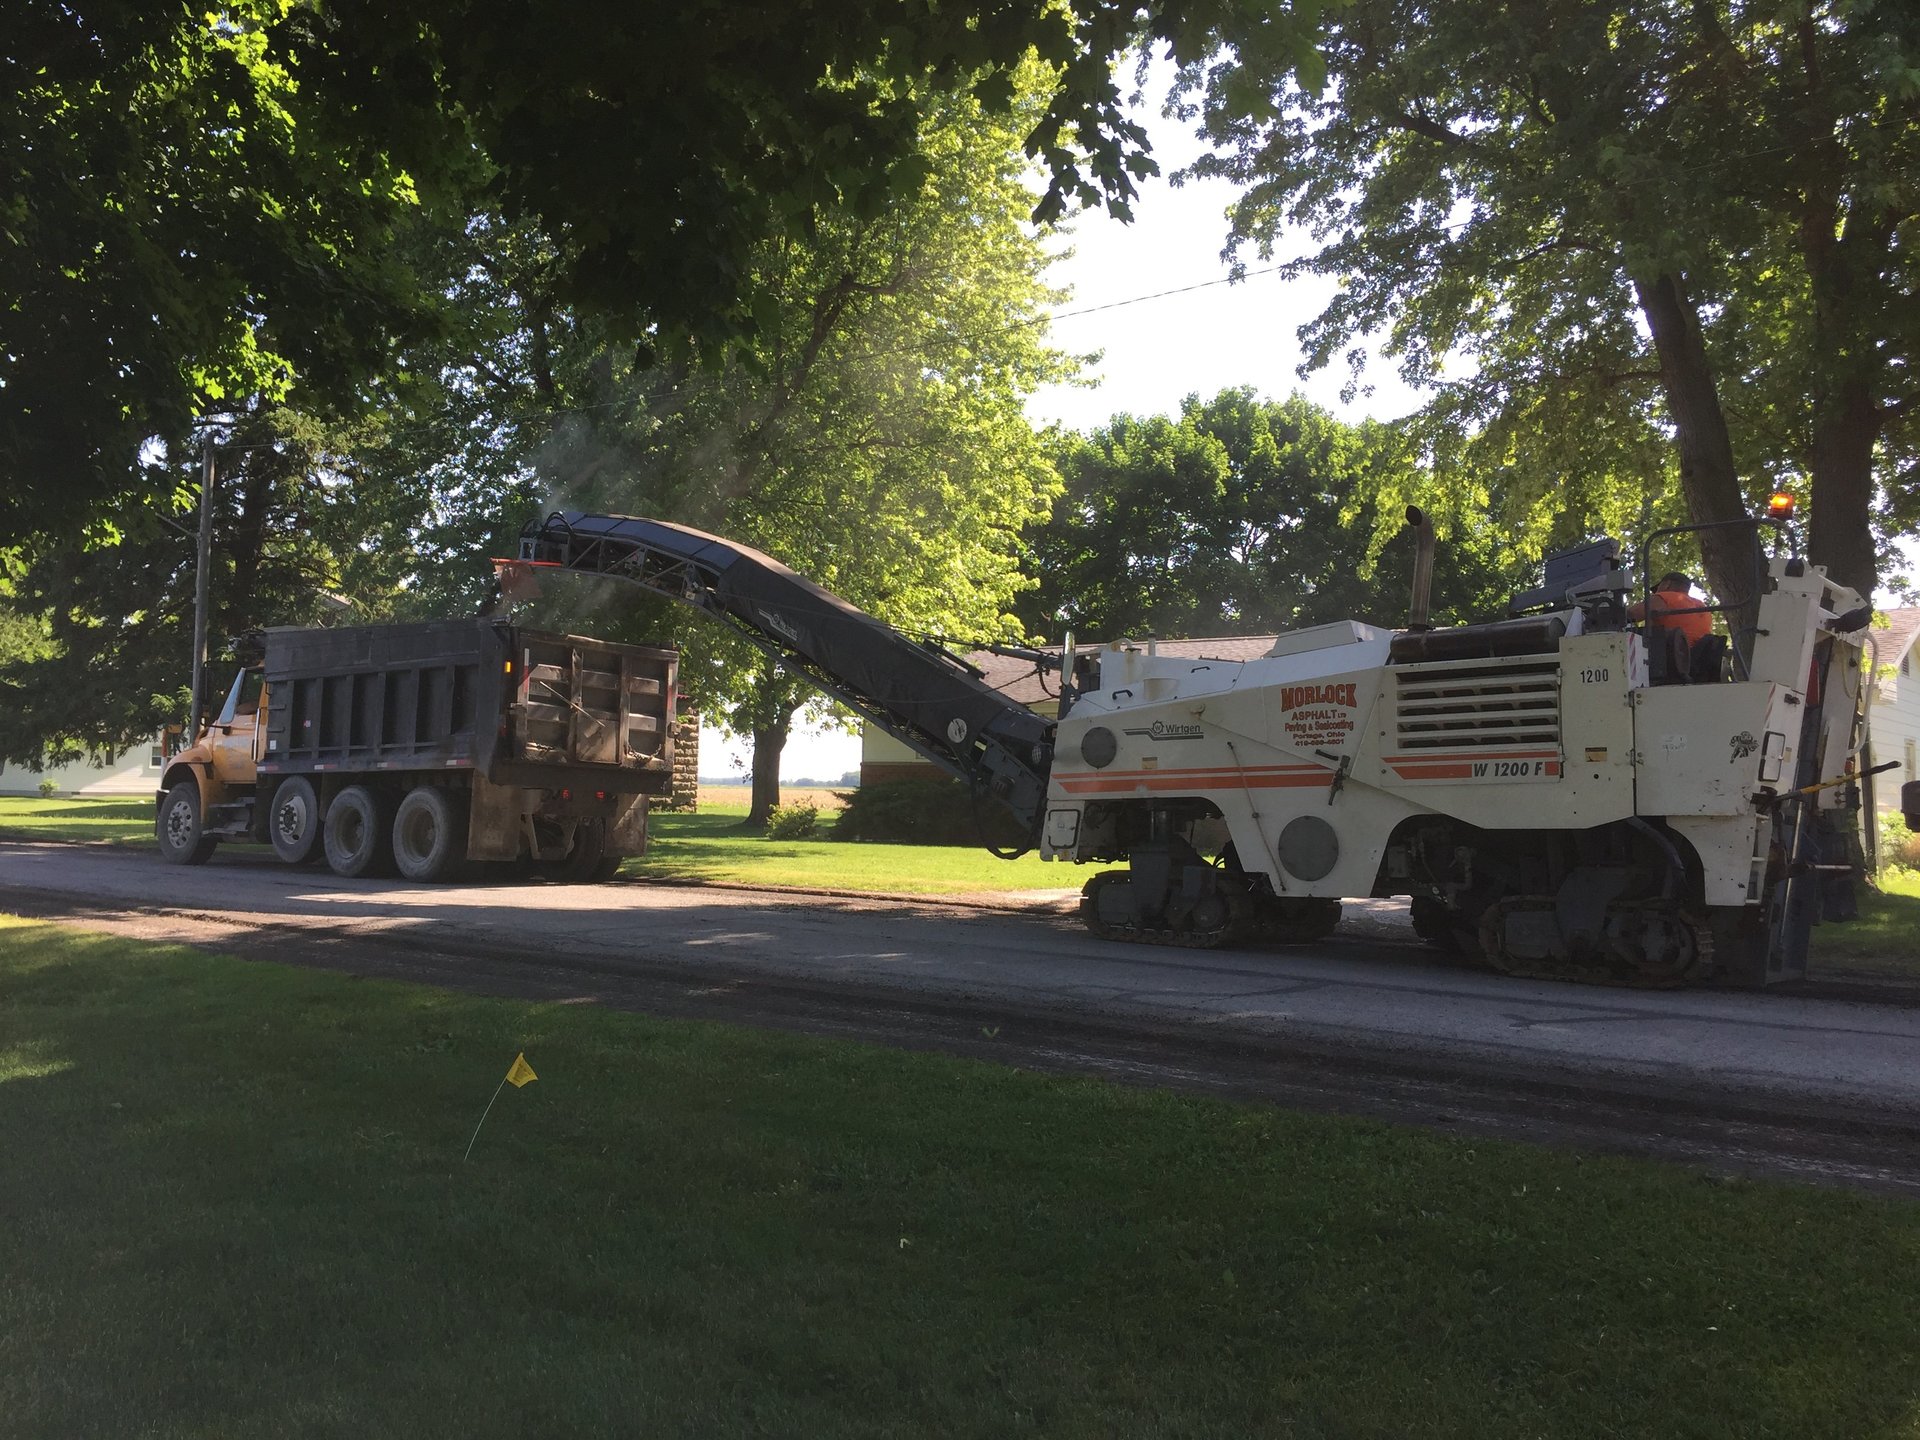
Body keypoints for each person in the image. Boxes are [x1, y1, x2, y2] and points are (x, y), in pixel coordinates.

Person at [1629, 571, 1714, 676]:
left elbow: (1632, 614)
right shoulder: (1703, 607)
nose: (1655, 593)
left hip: (1671, 663)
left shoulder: (1666, 597)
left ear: (1666, 584)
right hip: (1700, 664)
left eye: (1657, 589)